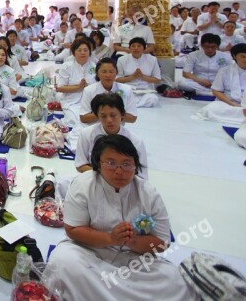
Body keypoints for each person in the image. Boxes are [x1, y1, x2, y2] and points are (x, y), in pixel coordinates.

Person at [45, 134, 193, 301]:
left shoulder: (148, 193)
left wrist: (132, 241)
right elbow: (72, 230)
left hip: (133, 258)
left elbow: (162, 243)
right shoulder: (83, 185)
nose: (119, 171)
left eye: (126, 164)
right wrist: (110, 238)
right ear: (98, 165)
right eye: (111, 163)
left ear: (135, 166)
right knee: (63, 260)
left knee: (173, 278)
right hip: (89, 251)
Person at [57, 93, 148, 199]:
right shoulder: (87, 134)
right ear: (97, 116)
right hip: (95, 178)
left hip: (123, 184)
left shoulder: (136, 141)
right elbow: (80, 164)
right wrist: (103, 176)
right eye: (103, 116)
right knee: (62, 183)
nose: (109, 120)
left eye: (113, 115)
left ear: (122, 114)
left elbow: (141, 176)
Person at [196, 43, 246, 126]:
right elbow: (216, 91)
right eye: (242, 56)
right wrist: (232, 104)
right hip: (228, 103)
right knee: (212, 108)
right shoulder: (224, 71)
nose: (245, 59)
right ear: (234, 56)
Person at [56, 39, 98, 124]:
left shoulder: (95, 67)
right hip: (72, 101)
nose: (83, 53)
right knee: (75, 121)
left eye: (85, 50)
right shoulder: (67, 66)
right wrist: (78, 87)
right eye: (79, 50)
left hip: (92, 101)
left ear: (90, 52)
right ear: (74, 53)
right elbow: (60, 88)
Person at [115, 38, 161, 107]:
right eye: (133, 46)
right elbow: (117, 79)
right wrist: (133, 77)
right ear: (129, 48)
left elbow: (157, 80)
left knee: (153, 100)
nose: (136, 48)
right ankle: (135, 104)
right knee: (119, 97)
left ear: (144, 48)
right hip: (128, 88)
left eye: (139, 46)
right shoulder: (121, 60)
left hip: (146, 90)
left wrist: (143, 77)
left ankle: (133, 105)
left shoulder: (152, 59)